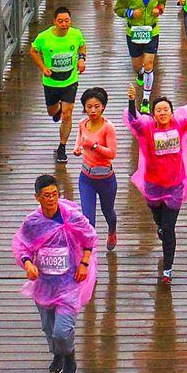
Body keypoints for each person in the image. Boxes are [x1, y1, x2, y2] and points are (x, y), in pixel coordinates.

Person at [13, 174, 96, 373]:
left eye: (54, 194)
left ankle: (69, 354)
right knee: (49, 328)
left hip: (68, 283)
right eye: (46, 195)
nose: (51, 199)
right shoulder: (33, 222)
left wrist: (84, 263)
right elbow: (22, 245)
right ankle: (57, 355)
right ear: (37, 197)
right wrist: (28, 263)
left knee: (62, 330)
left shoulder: (71, 217)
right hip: (44, 283)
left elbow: (89, 239)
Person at [125, 86, 187, 283]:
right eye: (158, 110)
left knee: (169, 228)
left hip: (175, 185)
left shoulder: (179, 125)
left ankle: (167, 269)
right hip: (153, 185)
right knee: (158, 219)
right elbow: (134, 120)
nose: (163, 113)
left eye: (166, 109)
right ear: (154, 115)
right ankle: (161, 228)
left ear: (172, 112)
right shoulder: (147, 128)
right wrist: (132, 101)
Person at [29, 8, 87, 163]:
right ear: (54, 21)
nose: (64, 24)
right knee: (52, 112)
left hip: (70, 80)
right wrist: (43, 67)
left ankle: (62, 147)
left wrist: (81, 59)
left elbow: (82, 45)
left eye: (67, 20)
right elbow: (33, 51)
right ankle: (58, 109)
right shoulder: (44, 37)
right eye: (60, 21)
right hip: (51, 81)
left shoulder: (75, 34)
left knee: (67, 114)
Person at [113, 0, 166, 108]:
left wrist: (158, 10)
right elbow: (117, 9)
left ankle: (145, 99)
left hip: (151, 31)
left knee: (149, 64)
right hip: (134, 32)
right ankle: (140, 72)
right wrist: (130, 13)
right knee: (137, 65)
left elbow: (162, 3)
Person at [75, 88, 119, 252]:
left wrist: (93, 146)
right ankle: (89, 257)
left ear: (103, 107)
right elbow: (80, 138)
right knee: (88, 219)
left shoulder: (108, 128)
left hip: (105, 178)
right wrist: (78, 148)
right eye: (89, 106)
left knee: (108, 211)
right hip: (86, 178)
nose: (92, 110)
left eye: (96, 106)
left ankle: (112, 230)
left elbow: (112, 154)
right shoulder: (82, 123)